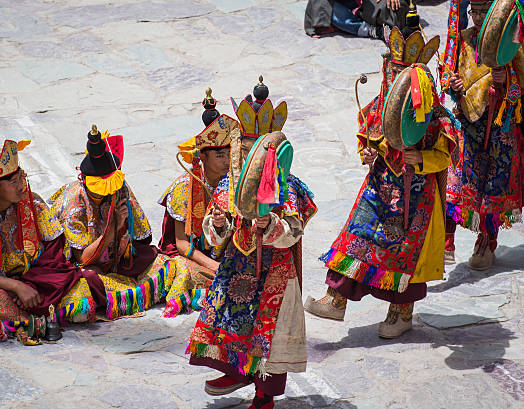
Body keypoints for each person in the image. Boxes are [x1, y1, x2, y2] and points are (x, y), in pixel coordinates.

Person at [305, 21, 460, 339]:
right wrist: (366, 151)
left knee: (406, 254)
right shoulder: (380, 106)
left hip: (416, 197)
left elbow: (445, 156)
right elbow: (369, 134)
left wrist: (421, 160)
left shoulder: (435, 117)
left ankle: (401, 313)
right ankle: (335, 299)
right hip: (378, 188)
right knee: (356, 237)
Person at [188, 78, 317, 409]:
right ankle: (234, 370)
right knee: (227, 319)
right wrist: (219, 224)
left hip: (276, 270)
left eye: (255, 150)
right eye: (243, 148)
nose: (248, 157)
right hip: (237, 265)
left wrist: (272, 224)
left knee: (268, 335)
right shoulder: (230, 183)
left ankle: (264, 395)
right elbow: (214, 233)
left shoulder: (288, 187)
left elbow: (294, 228)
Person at [0, 124, 95, 344]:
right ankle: (32, 320)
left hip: (38, 280)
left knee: (82, 286)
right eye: (13, 182)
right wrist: (16, 287)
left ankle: (25, 319)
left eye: (21, 177)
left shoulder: (34, 203)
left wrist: (31, 284)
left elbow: (54, 252)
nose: (22, 185)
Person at [49, 126, 168, 319]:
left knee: (159, 260)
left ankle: (123, 293)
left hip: (116, 258)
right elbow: (81, 259)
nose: (107, 192)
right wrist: (112, 228)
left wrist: (123, 227)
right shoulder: (73, 202)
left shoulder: (118, 187)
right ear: (84, 178)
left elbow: (142, 238)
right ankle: (130, 295)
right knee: (87, 279)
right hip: (87, 265)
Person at [442, 0, 523, 269]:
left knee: (493, 186)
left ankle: (487, 241)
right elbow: (449, 75)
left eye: (482, 12)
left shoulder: (512, 44)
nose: (476, 17)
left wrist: (507, 81)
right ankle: (446, 241)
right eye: (472, 12)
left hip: (501, 125)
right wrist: (453, 84)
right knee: (455, 181)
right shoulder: (464, 40)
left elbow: (520, 88)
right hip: (468, 123)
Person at [157, 89, 239, 317]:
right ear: (202, 157)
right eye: (219, 156)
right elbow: (181, 244)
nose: (226, 162)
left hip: (222, 253)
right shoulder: (185, 187)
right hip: (190, 257)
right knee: (184, 273)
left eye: (228, 155)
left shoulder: (232, 182)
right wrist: (214, 266)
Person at [305, 0, 410, 39]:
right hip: (343, 6)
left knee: (396, 6)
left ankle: (390, 30)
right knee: (323, 8)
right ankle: (372, 31)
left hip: (367, 4)